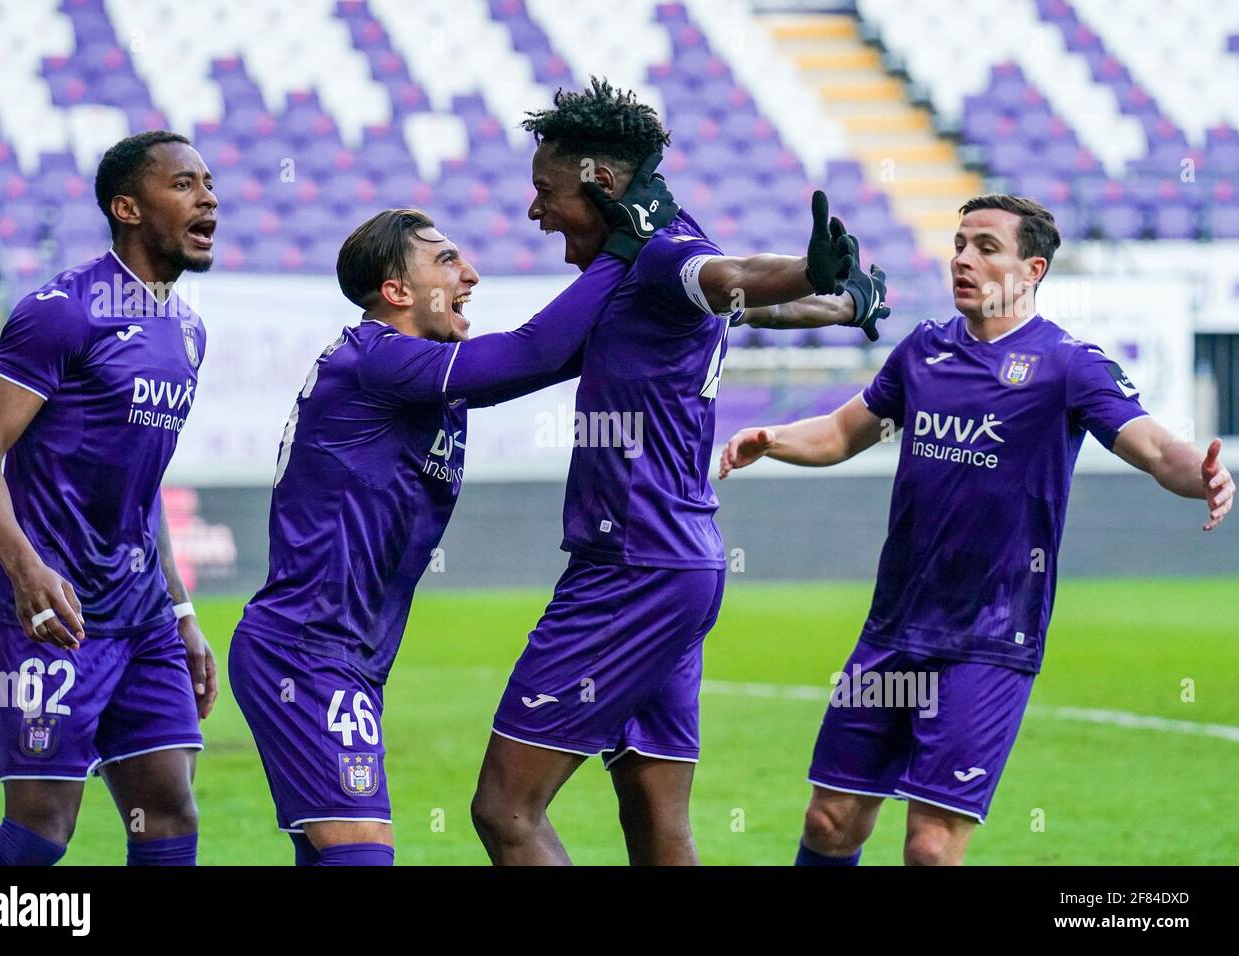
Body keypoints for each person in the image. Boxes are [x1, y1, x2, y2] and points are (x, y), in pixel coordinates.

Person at [719, 194, 1234, 865]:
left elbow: (1155, 448)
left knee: (931, 848)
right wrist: (774, 439)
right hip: (893, 627)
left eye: (987, 247)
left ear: (1033, 270)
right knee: (830, 821)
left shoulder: (1068, 365)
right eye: (960, 243)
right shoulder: (924, 352)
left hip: (989, 639)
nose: (964, 258)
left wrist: (1204, 474)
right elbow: (846, 432)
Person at [469, 78, 882, 865]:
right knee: (656, 820)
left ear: (602, 180)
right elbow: (740, 301)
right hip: (677, 560)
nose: (534, 210)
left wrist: (806, 272)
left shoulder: (664, 255)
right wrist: (836, 301)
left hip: (629, 568)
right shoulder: (648, 256)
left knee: (504, 809)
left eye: (545, 191)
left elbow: (730, 278)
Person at [227, 181, 676, 865]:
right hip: (304, 652)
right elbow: (529, 352)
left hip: (348, 660)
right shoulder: (375, 359)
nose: (469, 275)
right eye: (446, 260)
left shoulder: (427, 383)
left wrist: (716, 294)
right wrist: (620, 251)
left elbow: (560, 352)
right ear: (398, 292)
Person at [0, 131, 218, 867]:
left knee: (167, 812)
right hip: (53, 610)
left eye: (210, 183)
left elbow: (141, 488)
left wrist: (182, 608)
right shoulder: (64, 311)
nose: (209, 198)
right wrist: (26, 570)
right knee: (37, 838)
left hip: (142, 613)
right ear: (127, 207)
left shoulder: (189, 332)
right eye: (185, 184)